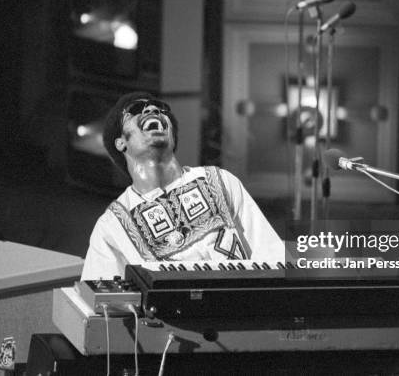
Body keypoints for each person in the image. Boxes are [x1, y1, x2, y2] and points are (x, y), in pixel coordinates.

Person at [81, 92, 284, 280]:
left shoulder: (220, 182)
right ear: (120, 143)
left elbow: (271, 255)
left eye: (160, 109)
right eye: (135, 110)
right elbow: (102, 302)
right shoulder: (112, 226)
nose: (153, 111)